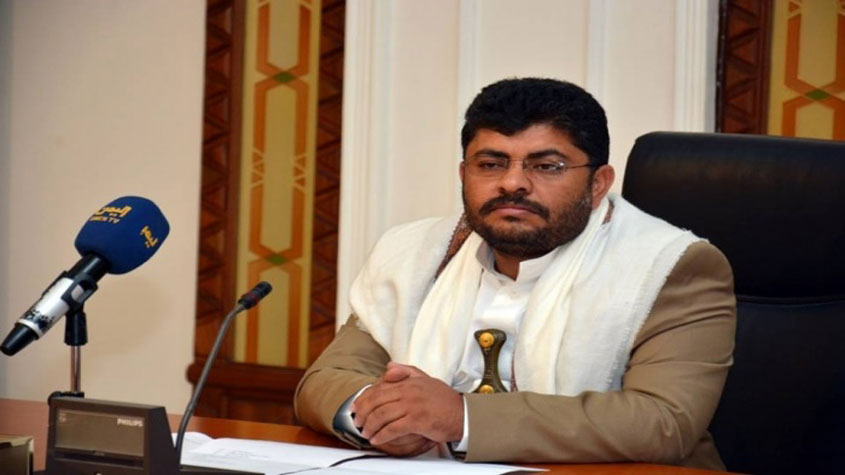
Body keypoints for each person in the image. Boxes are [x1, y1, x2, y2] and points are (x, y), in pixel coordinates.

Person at [294, 78, 735, 470]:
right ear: (463, 174)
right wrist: (382, 415)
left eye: (546, 166)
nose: (512, 183)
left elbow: (663, 421)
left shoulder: (670, 266)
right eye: (491, 164)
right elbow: (324, 380)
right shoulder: (413, 252)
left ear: (599, 183)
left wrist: (461, 419)